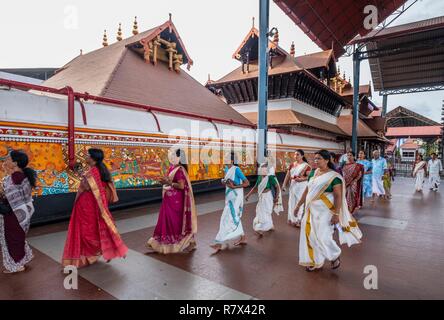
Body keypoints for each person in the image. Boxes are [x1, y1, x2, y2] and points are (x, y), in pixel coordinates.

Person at [294, 150, 362, 272]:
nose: (316, 161)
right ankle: (315, 261)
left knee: (323, 236)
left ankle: (334, 255)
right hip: (311, 210)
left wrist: (336, 214)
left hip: (326, 211)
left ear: (327, 160)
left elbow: (338, 196)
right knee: (310, 235)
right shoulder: (313, 173)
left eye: (319, 158)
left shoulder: (334, 177)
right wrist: (298, 205)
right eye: (315, 158)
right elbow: (307, 190)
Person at [62, 148, 128, 267]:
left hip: (87, 206)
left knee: (85, 231)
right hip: (95, 205)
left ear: (93, 158)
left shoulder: (93, 172)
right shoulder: (101, 170)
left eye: (87, 155)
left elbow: (86, 187)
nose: (86, 157)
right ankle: (98, 252)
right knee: (96, 229)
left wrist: (83, 178)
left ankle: (87, 256)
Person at [146, 149, 197, 254]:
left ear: (179, 158)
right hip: (169, 200)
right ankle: (160, 243)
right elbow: (170, 181)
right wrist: (164, 181)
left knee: (175, 222)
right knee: (165, 220)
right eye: (172, 155)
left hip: (176, 202)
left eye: (174, 155)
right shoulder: (172, 168)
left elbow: (181, 186)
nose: (172, 157)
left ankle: (188, 242)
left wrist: (168, 182)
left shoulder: (179, 170)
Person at [0, 150, 36, 274]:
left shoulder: (15, 178)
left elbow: (10, 196)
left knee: (13, 238)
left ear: (15, 163)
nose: (5, 160)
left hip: (14, 213)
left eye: (8, 159)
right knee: (18, 237)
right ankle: (21, 260)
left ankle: (17, 265)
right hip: (21, 212)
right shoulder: (20, 175)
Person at [211, 152, 250, 254]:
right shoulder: (226, 169)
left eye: (227, 157)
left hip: (235, 198)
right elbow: (228, 182)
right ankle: (243, 237)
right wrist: (224, 182)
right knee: (234, 218)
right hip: (229, 197)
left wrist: (234, 187)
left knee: (225, 218)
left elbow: (247, 183)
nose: (224, 158)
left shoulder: (236, 169)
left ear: (232, 161)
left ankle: (218, 243)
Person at [246, 162, 283, 237]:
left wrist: (276, 197)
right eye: (261, 168)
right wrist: (248, 195)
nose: (262, 170)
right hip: (261, 197)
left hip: (268, 197)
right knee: (260, 211)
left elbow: (277, 187)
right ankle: (270, 226)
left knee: (265, 211)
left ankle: (261, 229)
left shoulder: (270, 177)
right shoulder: (260, 177)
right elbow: (255, 187)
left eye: (264, 168)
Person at [282, 149, 311, 227]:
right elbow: (288, 175)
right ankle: (292, 219)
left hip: (301, 186)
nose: (295, 156)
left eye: (297, 154)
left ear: (302, 156)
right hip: (293, 186)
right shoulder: (292, 164)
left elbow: (309, 177)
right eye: (295, 154)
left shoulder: (306, 166)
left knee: (299, 203)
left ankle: (298, 220)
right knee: (291, 202)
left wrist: (301, 179)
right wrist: (284, 184)